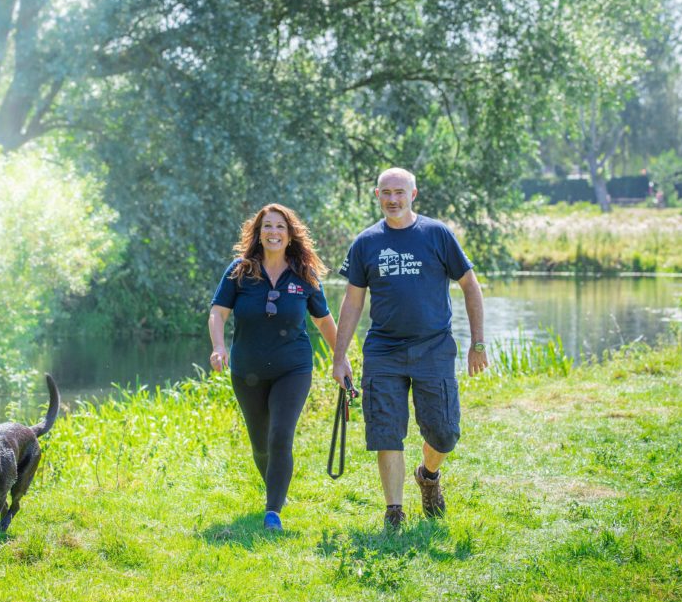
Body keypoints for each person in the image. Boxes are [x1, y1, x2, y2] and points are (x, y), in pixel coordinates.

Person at [333, 168, 488, 529]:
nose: (393, 199)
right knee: (386, 430)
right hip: (383, 352)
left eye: (399, 192)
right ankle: (394, 512)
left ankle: (428, 475)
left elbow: (470, 285)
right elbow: (353, 302)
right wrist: (340, 358)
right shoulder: (366, 243)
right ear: (376, 195)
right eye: (386, 192)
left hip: (433, 348)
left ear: (413, 194)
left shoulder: (437, 234)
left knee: (444, 432)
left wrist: (477, 342)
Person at [209, 204, 338, 531]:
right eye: (267, 226)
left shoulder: (304, 275)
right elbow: (218, 312)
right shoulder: (240, 271)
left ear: (290, 233)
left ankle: (273, 512)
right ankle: (275, 486)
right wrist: (219, 346)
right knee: (260, 442)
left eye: (280, 227)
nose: (274, 232)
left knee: (281, 434)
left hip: (292, 368)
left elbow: (323, 321)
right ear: (258, 232)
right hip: (246, 370)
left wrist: (342, 358)